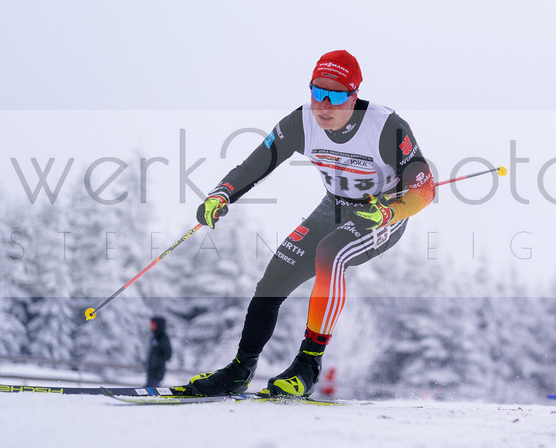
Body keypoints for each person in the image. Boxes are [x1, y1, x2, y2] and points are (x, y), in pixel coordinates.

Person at [174, 50, 435, 398]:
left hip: (382, 213)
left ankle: (307, 366)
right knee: (273, 279)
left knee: (331, 253)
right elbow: (255, 165)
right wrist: (221, 194)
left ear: (354, 95)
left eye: (337, 95)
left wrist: (390, 212)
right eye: (317, 92)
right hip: (334, 207)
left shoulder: (386, 126)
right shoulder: (302, 122)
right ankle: (240, 370)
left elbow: (425, 190)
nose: (325, 104)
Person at [144, 317, 173, 388]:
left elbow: (168, 354)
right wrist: (147, 363)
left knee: (151, 391)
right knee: (149, 390)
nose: (151, 326)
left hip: (157, 372)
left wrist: (156, 362)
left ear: (158, 325)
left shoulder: (163, 338)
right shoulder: (155, 337)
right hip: (151, 372)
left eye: (153, 324)